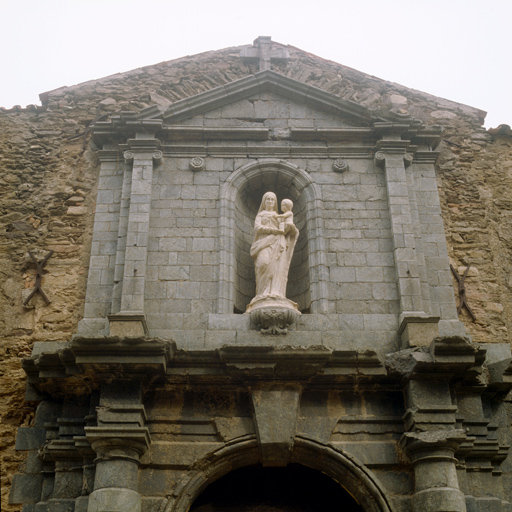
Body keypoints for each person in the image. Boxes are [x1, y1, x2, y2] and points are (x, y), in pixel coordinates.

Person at [248, 192, 299, 305]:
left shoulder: (278, 216)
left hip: (277, 243)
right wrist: (273, 231)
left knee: (277, 268)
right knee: (263, 263)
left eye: (272, 200)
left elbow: (285, 229)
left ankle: (275, 293)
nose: (270, 202)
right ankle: (262, 294)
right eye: (268, 199)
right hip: (264, 242)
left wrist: (290, 227)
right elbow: (258, 227)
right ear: (264, 202)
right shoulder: (261, 215)